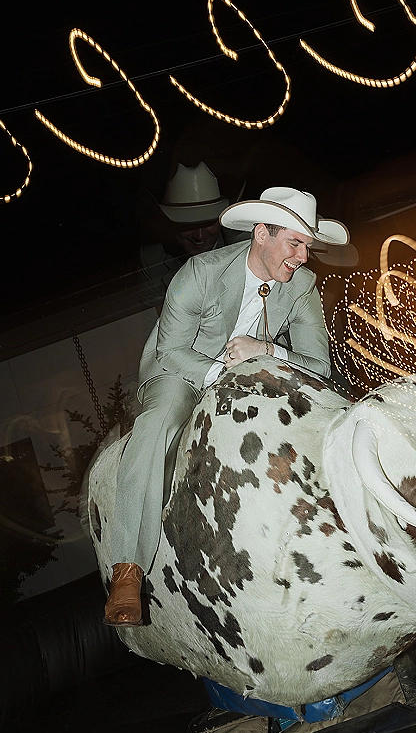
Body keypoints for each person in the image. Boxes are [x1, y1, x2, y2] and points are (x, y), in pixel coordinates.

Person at [103, 186, 350, 626]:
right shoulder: (200, 273)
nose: (303, 257)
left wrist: (268, 352)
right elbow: (170, 352)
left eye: (308, 247)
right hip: (182, 374)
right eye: (295, 243)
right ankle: (127, 569)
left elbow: (319, 366)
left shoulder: (304, 286)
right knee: (157, 423)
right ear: (261, 235)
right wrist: (222, 373)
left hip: (256, 372)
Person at [139, 161, 247, 308]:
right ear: (170, 224)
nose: (200, 236)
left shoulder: (246, 249)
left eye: (208, 223)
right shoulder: (152, 261)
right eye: (189, 225)